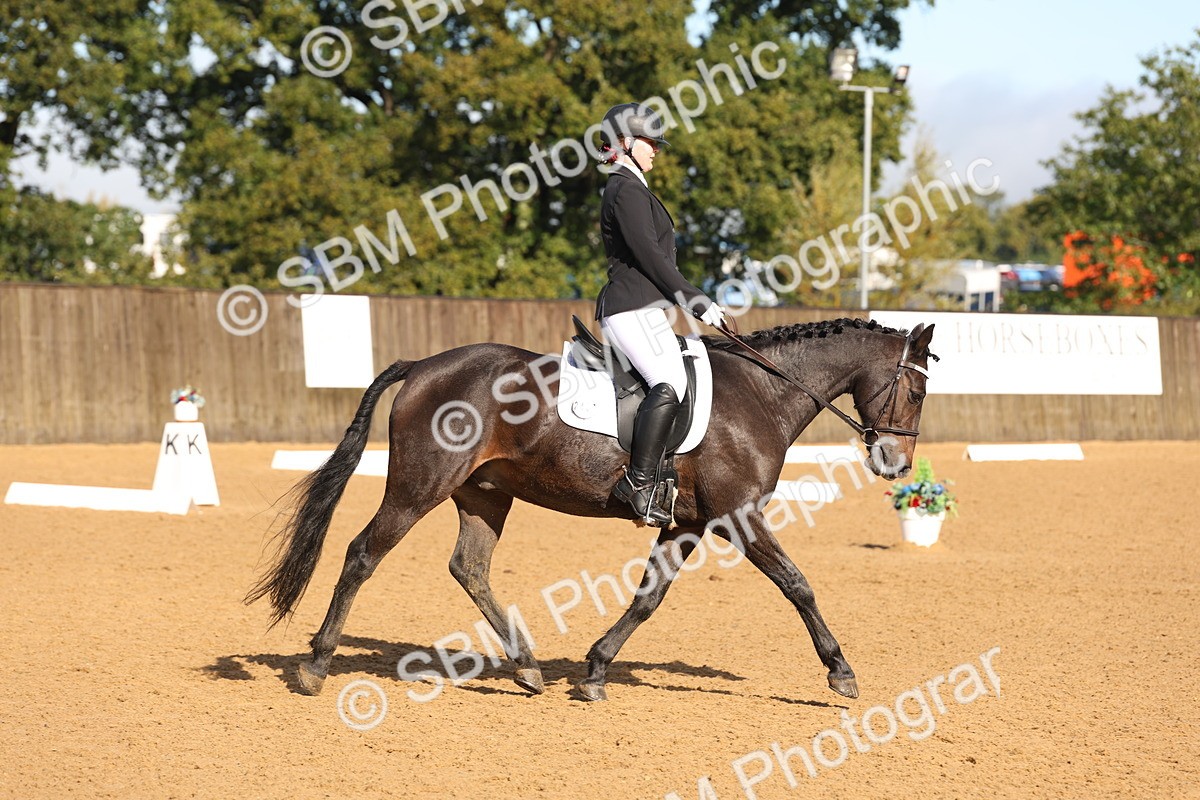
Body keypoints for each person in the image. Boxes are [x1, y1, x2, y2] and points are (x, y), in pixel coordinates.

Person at [593, 102, 732, 526]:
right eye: (650, 143)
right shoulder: (625, 189)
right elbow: (653, 259)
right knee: (668, 380)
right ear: (625, 143)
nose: (656, 150)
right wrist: (698, 300)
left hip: (646, 310)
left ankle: (660, 476)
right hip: (629, 307)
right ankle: (637, 483)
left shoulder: (634, 188)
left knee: (679, 376)